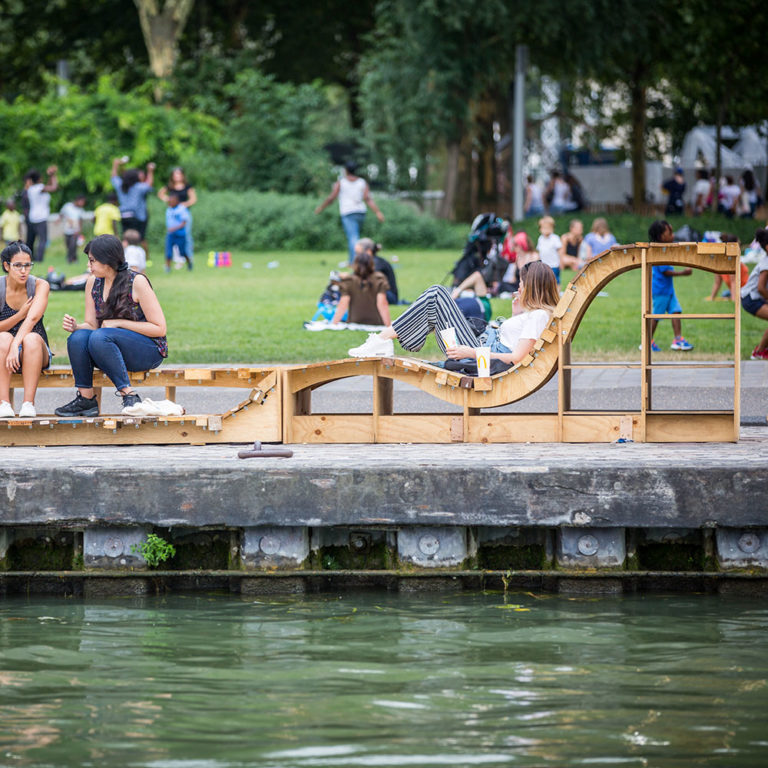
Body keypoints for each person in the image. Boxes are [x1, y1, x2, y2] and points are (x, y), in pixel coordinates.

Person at [347, 262, 559, 372]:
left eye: (522, 282)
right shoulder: (535, 314)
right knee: (434, 302)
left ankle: (381, 340)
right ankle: (385, 340)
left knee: (437, 294)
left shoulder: (539, 315)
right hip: (481, 346)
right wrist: (516, 314)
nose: (518, 286)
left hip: (479, 355)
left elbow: (516, 358)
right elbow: (515, 343)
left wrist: (473, 352)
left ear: (532, 285)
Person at [54, 234, 167, 417]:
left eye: (92, 261)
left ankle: (129, 395)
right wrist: (77, 327)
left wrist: (120, 323)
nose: (88, 266)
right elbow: (92, 325)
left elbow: (159, 329)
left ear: (107, 261)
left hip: (147, 349)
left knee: (101, 335)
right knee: (77, 338)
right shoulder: (93, 282)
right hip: (108, 348)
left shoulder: (136, 282)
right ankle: (86, 400)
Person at [0, 242, 51, 418]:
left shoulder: (39, 285)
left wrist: (17, 344)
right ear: (6, 266)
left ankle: (28, 403)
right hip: (4, 351)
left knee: (31, 338)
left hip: (35, 351)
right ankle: (3, 404)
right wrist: (19, 314)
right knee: (3, 338)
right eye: (18, 265)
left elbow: (33, 318)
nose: (23, 271)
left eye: (27, 265)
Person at [314, 162, 385, 264]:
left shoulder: (341, 182)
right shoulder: (362, 182)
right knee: (354, 237)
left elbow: (331, 198)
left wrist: (321, 207)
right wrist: (378, 212)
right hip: (360, 212)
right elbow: (368, 199)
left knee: (353, 238)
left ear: (346, 170)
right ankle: (353, 260)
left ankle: (355, 262)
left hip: (348, 212)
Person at [648, 220, 693, 352]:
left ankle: (678, 340)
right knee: (656, 317)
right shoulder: (659, 251)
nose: (673, 236)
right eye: (670, 233)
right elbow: (665, 272)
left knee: (676, 311)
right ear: (662, 237)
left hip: (668, 290)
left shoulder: (666, 249)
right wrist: (682, 273)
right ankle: (646, 342)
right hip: (660, 291)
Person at [330, 241, 391, 326]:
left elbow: (343, 304)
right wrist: (388, 325)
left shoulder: (348, 281)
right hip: (376, 322)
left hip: (355, 321)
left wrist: (334, 323)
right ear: (371, 263)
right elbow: (382, 303)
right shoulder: (379, 278)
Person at [110, 157, 155, 243]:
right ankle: (139, 254)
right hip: (137, 215)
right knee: (138, 237)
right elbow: (149, 184)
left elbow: (114, 177)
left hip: (123, 215)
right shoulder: (138, 187)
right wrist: (150, 171)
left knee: (125, 238)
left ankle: (123, 254)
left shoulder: (121, 186)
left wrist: (115, 165)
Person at [740, 228, 768, 360]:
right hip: (750, 299)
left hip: (756, 298)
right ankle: (759, 352)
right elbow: (761, 288)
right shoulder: (766, 264)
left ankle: (762, 350)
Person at [158, 167, 197, 257]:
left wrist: (183, 205)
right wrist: (167, 199)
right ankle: (176, 257)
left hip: (183, 214)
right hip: (172, 215)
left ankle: (187, 256)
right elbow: (160, 193)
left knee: (186, 235)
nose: (177, 176)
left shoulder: (187, 186)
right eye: (175, 174)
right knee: (172, 235)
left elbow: (193, 199)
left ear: (183, 175)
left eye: (179, 174)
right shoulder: (170, 186)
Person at [24, 166, 58, 262]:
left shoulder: (31, 188)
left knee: (33, 240)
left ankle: (31, 258)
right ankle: (39, 259)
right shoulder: (39, 188)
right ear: (39, 179)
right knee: (43, 240)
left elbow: (47, 185)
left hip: (33, 217)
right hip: (40, 218)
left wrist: (50, 176)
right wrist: (53, 175)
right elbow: (53, 187)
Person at [164, 192, 192, 272]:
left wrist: (174, 228)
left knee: (182, 252)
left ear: (177, 201)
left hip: (180, 234)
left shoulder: (182, 209)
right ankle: (167, 268)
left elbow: (184, 223)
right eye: (169, 201)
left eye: (172, 201)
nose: (170, 202)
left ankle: (189, 263)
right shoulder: (169, 209)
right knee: (168, 251)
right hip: (170, 234)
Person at [60, 194, 87, 264]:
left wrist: (79, 230)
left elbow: (80, 220)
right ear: (78, 200)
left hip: (75, 231)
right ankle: (74, 258)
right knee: (68, 245)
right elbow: (62, 214)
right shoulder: (68, 206)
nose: (83, 204)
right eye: (82, 202)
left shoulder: (80, 210)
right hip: (67, 230)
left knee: (73, 245)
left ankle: (69, 259)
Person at [536, 215, 562, 284]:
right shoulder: (540, 239)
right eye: (544, 228)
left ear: (552, 229)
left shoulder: (555, 238)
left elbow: (560, 251)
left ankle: (557, 293)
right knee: (544, 280)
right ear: (540, 229)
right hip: (544, 264)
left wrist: (561, 262)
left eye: (548, 228)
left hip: (554, 264)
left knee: (555, 280)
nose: (546, 230)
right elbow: (539, 251)